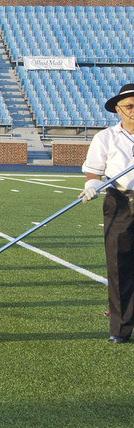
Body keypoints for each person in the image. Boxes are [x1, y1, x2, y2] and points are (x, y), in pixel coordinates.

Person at [80, 83, 134, 344]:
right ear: (117, 109)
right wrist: (92, 185)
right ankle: (121, 329)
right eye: (130, 106)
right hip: (119, 202)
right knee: (119, 266)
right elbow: (94, 171)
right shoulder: (105, 137)